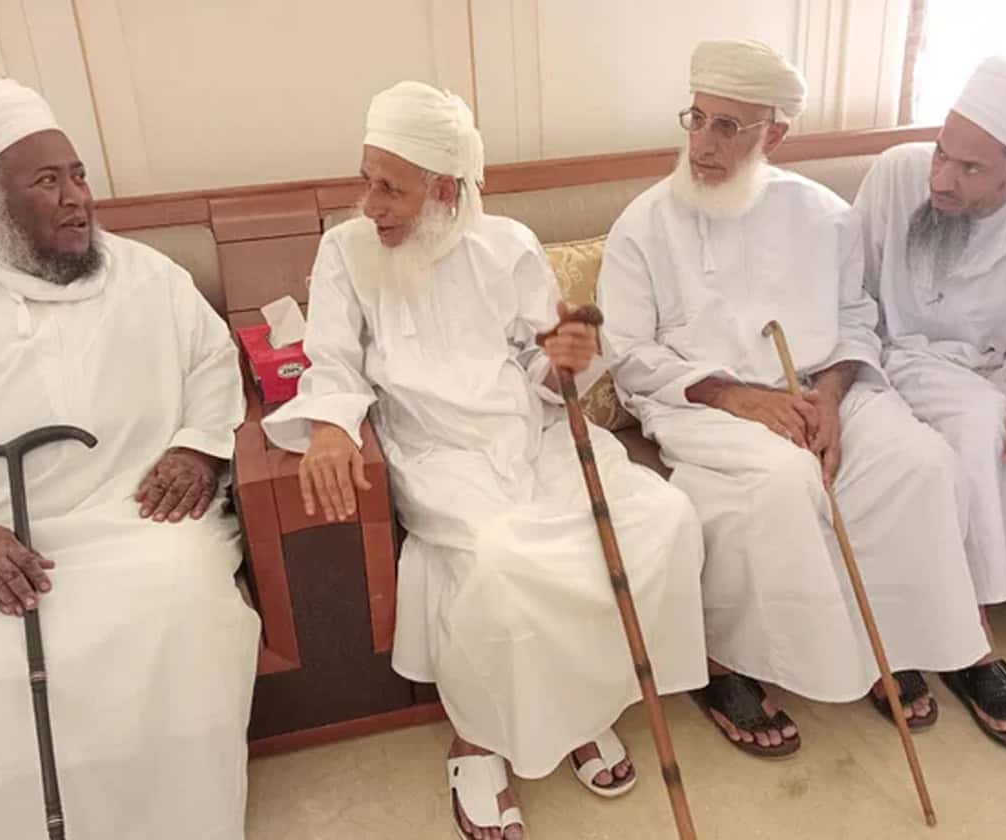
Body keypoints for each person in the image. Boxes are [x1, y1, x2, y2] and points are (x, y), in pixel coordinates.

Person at [263, 80, 707, 839]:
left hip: (531, 436)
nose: (371, 204)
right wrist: (332, 426)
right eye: (367, 180)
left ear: (445, 191)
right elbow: (331, 360)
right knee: (503, 560)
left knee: (663, 518)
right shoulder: (345, 250)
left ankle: (583, 707)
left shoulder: (508, 245)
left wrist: (566, 361)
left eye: (391, 188)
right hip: (434, 450)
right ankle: (477, 739)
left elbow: (543, 364)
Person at [0, 79, 261, 839]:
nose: (77, 199)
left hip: (135, 515)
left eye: (78, 175)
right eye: (47, 182)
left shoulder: (149, 277)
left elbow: (213, 364)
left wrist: (195, 449)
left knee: (180, 605)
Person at [599, 40, 990, 758]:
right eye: (697, 119)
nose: (703, 144)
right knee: (784, 481)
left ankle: (890, 641)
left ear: (773, 135)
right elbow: (628, 353)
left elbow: (855, 322)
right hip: (704, 404)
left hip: (822, 388)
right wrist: (740, 397)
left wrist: (832, 399)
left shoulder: (824, 214)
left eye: (728, 126)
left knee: (919, 464)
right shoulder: (643, 224)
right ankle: (729, 665)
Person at [854, 55, 1006, 751]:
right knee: (980, 425)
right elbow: (850, 289)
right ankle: (970, 635)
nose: (942, 179)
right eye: (942, 154)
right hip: (908, 355)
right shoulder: (897, 174)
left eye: (970, 169)